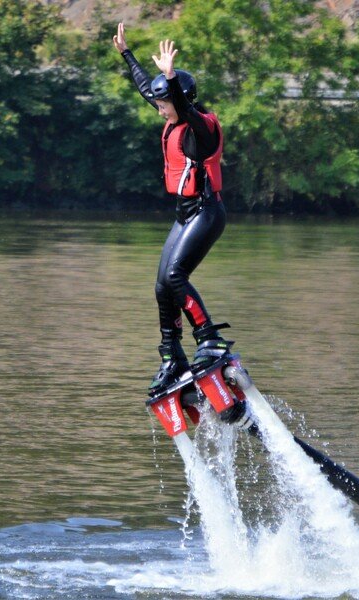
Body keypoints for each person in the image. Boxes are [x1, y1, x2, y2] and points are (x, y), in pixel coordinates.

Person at [113, 24, 232, 396]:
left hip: (207, 213)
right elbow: (149, 91)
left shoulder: (201, 129)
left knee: (176, 276)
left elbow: (180, 105)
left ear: (181, 102)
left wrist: (171, 78)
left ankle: (209, 338)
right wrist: (126, 54)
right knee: (162, 285)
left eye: (165, 104)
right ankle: (172, 356)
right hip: (184, 214)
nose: (159, 108)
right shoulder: (172, 118)